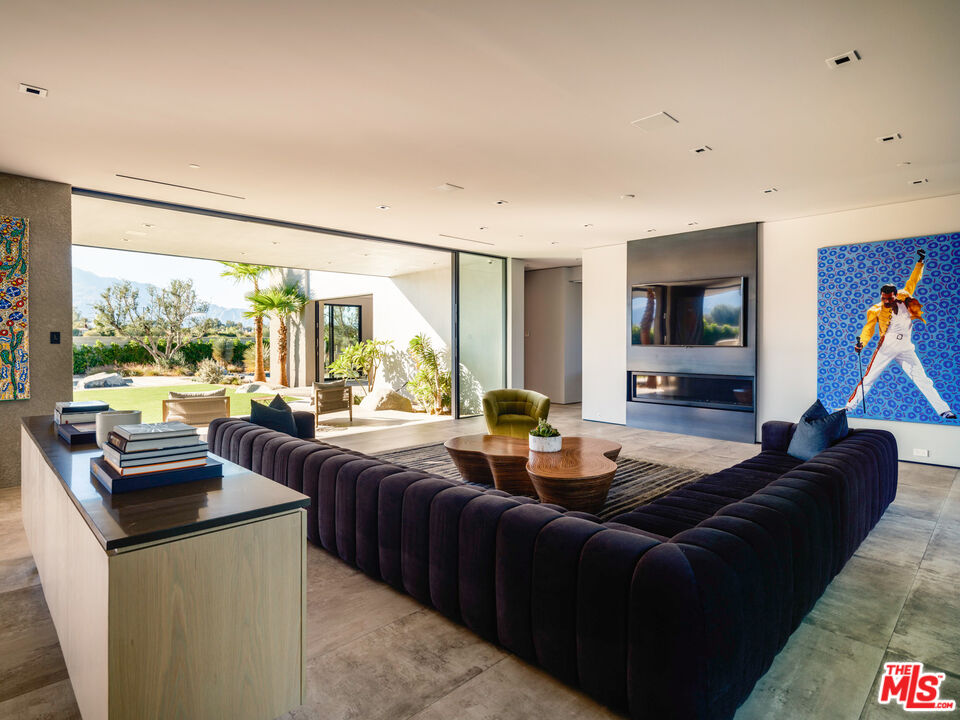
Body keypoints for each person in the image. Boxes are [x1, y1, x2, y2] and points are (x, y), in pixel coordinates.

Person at [845, 249, 956, 419]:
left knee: (922, 378)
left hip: (906, 346)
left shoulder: (905, 298)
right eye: (883, 298)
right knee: (869, 377)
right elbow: (868, 328)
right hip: (887, 345)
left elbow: (913, 280)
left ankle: (944, 410)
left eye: (889, 298)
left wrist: (920, 262)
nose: (886, 301)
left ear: (895, 295)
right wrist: (862, 343)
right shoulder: (875, 310)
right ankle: (849, 407)